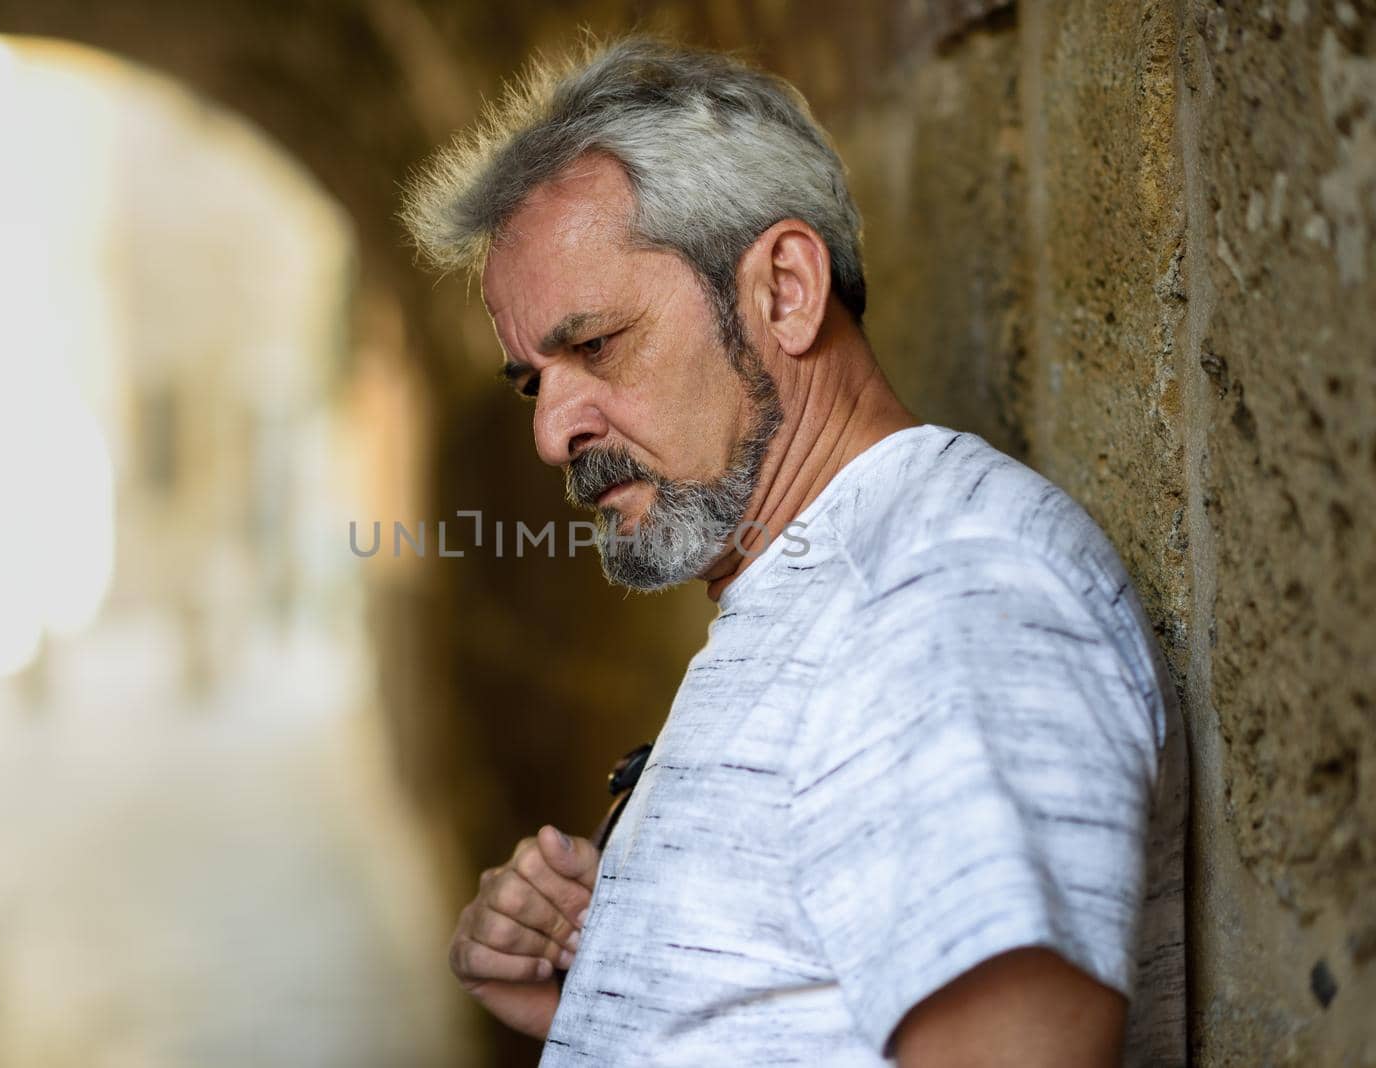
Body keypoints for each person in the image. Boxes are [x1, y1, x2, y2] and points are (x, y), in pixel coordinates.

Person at [401, 35, 1186, 1067]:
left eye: (594, 346)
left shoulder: (943, 593)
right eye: (530, 381)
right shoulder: (834, 581)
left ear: (782, 289)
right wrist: (614, 991)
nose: (553, 432)